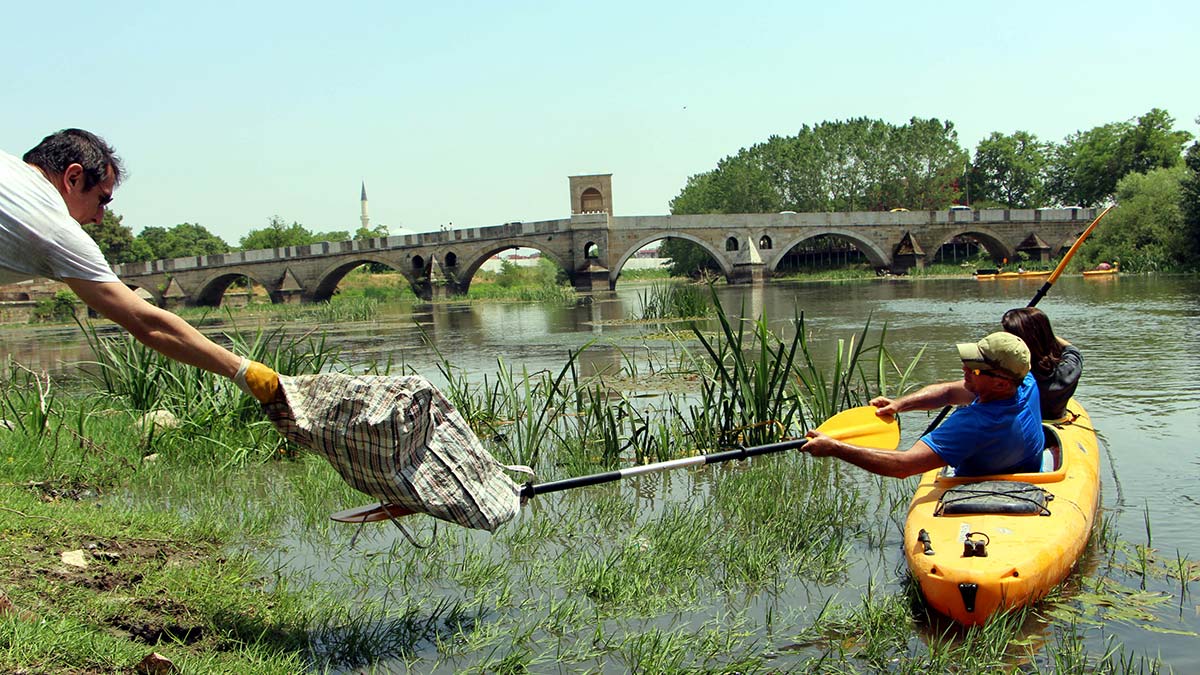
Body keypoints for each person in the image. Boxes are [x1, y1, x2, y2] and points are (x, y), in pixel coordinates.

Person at [1, 129, 278, 403]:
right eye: (101, 199)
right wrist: (243, 371)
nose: (100, 218)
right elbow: (148, 323)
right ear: (73, 177)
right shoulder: (54, 227)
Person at [801, 332, 1044, 478]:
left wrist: (836, 448)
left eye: (975, 368)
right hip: (1026, 468)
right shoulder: (1026, 382)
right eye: (969, 361)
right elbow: (948, 392)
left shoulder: (975, 424)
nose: (965, 369)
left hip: (986, 487)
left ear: (1001, 384)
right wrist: (899, 404)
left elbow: (904, 466)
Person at [1002, 307, 1081, 420]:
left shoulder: (1010, 376)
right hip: (1056, 417)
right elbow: (1071, 349)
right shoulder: (1070, 368)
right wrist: (1045, 334)